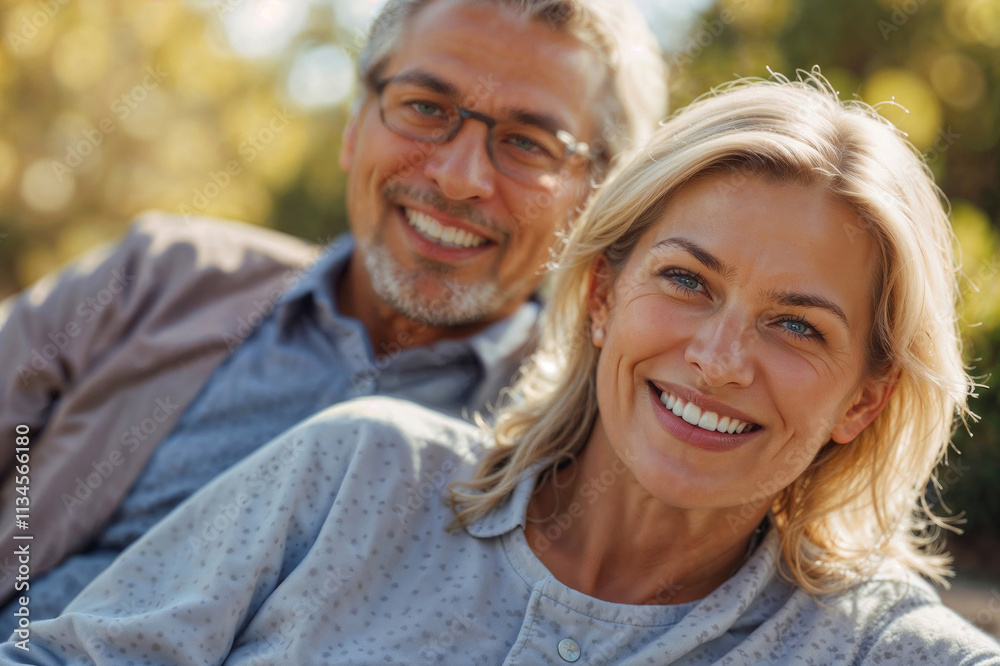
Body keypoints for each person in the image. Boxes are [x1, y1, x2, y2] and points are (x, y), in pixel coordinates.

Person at [10, 72, 1000, 664]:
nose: (718, 359)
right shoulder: (358, 476)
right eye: (688, 282)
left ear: (863, 399)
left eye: (796, 327)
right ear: (603, 294)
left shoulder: (878, 649)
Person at [0, 0, 667, 631]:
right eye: (426, 107)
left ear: (598, 202)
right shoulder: (157, 277)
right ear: (355, 125)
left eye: (528, 143)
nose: (459, 176)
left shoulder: (590, 445)